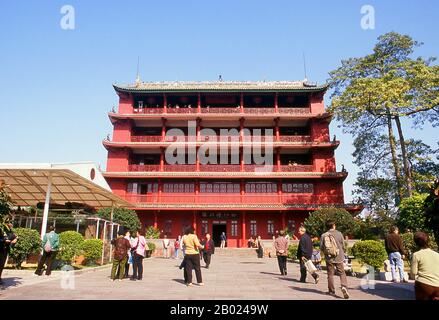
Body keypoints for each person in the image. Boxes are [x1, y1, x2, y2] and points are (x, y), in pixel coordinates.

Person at [320, 220, 349, 299]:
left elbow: (321, 247)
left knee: (330, 274)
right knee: (342, 273)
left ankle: (331, 291)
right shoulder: (339, 233)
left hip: (329, 258)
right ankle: (344, 287)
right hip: (339, 256)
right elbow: (343, 245)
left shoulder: (323, 235)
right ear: (333, 225)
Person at [410, 232, 439, 300]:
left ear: (416, 243)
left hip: (424, 286)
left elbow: (413, 273)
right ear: (428, 241)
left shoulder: (416, 255)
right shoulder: (437, 255)